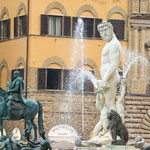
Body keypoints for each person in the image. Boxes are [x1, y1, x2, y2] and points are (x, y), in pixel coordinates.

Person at [91, 21, 122, 143]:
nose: (103, 34)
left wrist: (104, 80)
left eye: (105, 30)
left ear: (111, 29)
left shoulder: (114, 44)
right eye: (101, 32)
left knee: (110, 104)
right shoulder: (109, 44)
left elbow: (114, 64)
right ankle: (107, 129)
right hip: (105, 79)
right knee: (102, 105)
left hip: (109, 79)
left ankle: (112, 131)